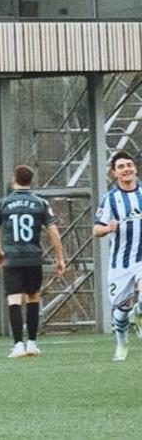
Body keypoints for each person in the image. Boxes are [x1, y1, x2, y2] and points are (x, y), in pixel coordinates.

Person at [0, 164, 66, 358]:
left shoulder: (3, 203)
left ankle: (18, 345)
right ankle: (32, 343)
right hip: (33, 258)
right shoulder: (40, 203)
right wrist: (60, 258)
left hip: (12, 258)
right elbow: (53, 233)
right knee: (33, 297)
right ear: (31, 181)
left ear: (14, 179)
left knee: (14, 299)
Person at [92, 151, 142, 362]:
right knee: (120, 313)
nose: (127, 169)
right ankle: (122, 342)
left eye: (129, 165)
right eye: (121, 166)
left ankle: (139, 312)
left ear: (135, 168)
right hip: (120, 263)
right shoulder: (110, 199)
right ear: (114, 173)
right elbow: (95, 230)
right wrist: (107, 228)